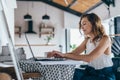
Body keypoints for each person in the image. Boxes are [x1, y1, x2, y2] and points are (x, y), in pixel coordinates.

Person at [47, 13, 115, 80]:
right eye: (81, 25)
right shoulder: (87, 40)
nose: (81, 27)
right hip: (90, 71)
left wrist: (64, 55)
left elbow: (89, 58)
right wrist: (59, 54)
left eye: (84, 24)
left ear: (94, 23)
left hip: (104, 75)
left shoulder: (105, 39)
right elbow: (74, 53)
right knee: (70, 73)